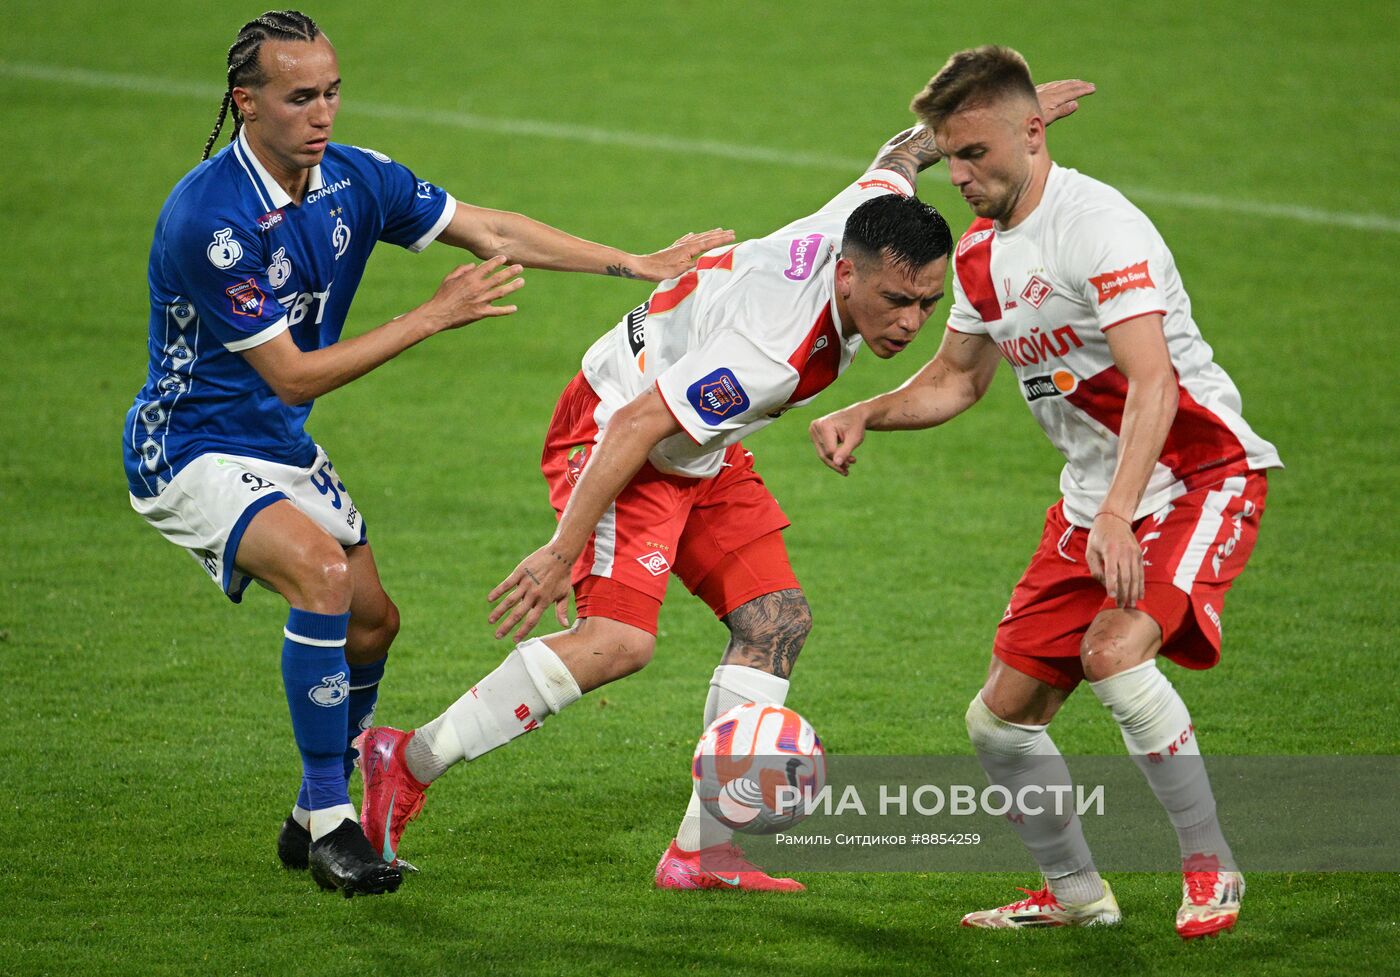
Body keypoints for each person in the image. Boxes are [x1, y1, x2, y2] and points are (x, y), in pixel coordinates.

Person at [355, 79, 1094, 890]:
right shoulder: (772, 354)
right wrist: (563, 549)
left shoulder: (868, 217)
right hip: (619, 429)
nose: (911, 323)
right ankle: (409, 757)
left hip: (698, 441)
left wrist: (978, 132)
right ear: (847, 276)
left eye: (927, 302)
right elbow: (639, 424)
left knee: (775, 619)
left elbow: (896, 157)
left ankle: (701, 850)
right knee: (618, 643)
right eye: (895, 301)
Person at [122, 9, 733, 898]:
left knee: (374, 622)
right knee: (324, 579)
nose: (322, 112)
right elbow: (291, 375)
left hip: (275, 444)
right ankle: (334, 822)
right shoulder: (210, 222)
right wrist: (432, 314)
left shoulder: (352, 179)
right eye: (299, 97)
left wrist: (633, 262)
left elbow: (494, 229)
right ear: (246, 102)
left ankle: (309, 811)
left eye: (331, 91)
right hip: (188, 446)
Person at [810, 46, 1281, 937]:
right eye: (949, 156)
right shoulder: (983, 254)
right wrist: (864, 412)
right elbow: (955, 380)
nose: (961, 176)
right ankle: (1075, 895)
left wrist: (1117, 513)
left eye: (976, 153)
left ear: (1033, 133)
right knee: (999, 724)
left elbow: (1154, 384)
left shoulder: (1100, 227)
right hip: (1091, 499)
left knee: (1113, 652)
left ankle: (1211, 864)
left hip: (1193, 476)